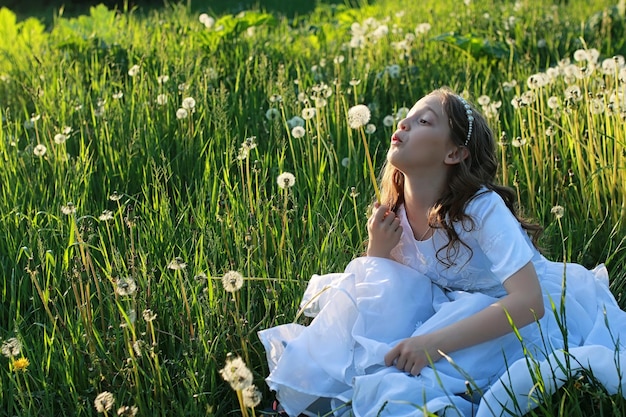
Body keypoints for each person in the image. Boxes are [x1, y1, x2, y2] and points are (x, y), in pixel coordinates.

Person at [258, 87, 626, 417]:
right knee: (359, 288)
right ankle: (315, 397)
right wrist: (377, 252)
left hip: (511, 318)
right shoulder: (395, 210)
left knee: (406, 382)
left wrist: (432, 344)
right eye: (408, 115)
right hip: (445, 306)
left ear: (454, 152)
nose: (404, 122)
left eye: (423, 120)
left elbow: (530, 303)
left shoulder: (481, 209)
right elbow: (390, 295)